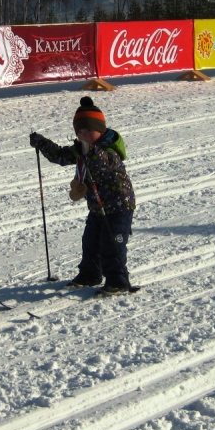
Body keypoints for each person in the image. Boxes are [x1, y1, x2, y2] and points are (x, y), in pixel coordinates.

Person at [29, 96, 137, 294]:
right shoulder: (82, 149)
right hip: (97, 207)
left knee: (111, 245)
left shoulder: (110, 149)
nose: (82, 136)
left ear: (98, 130)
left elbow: (103, 160)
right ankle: (90, 274)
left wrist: (89, 152)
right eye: (79, 132)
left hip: (119, 207)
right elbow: (61, 156)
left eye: (86, 131)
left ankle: (118, 280)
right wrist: (42, 144)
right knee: (90, 243)